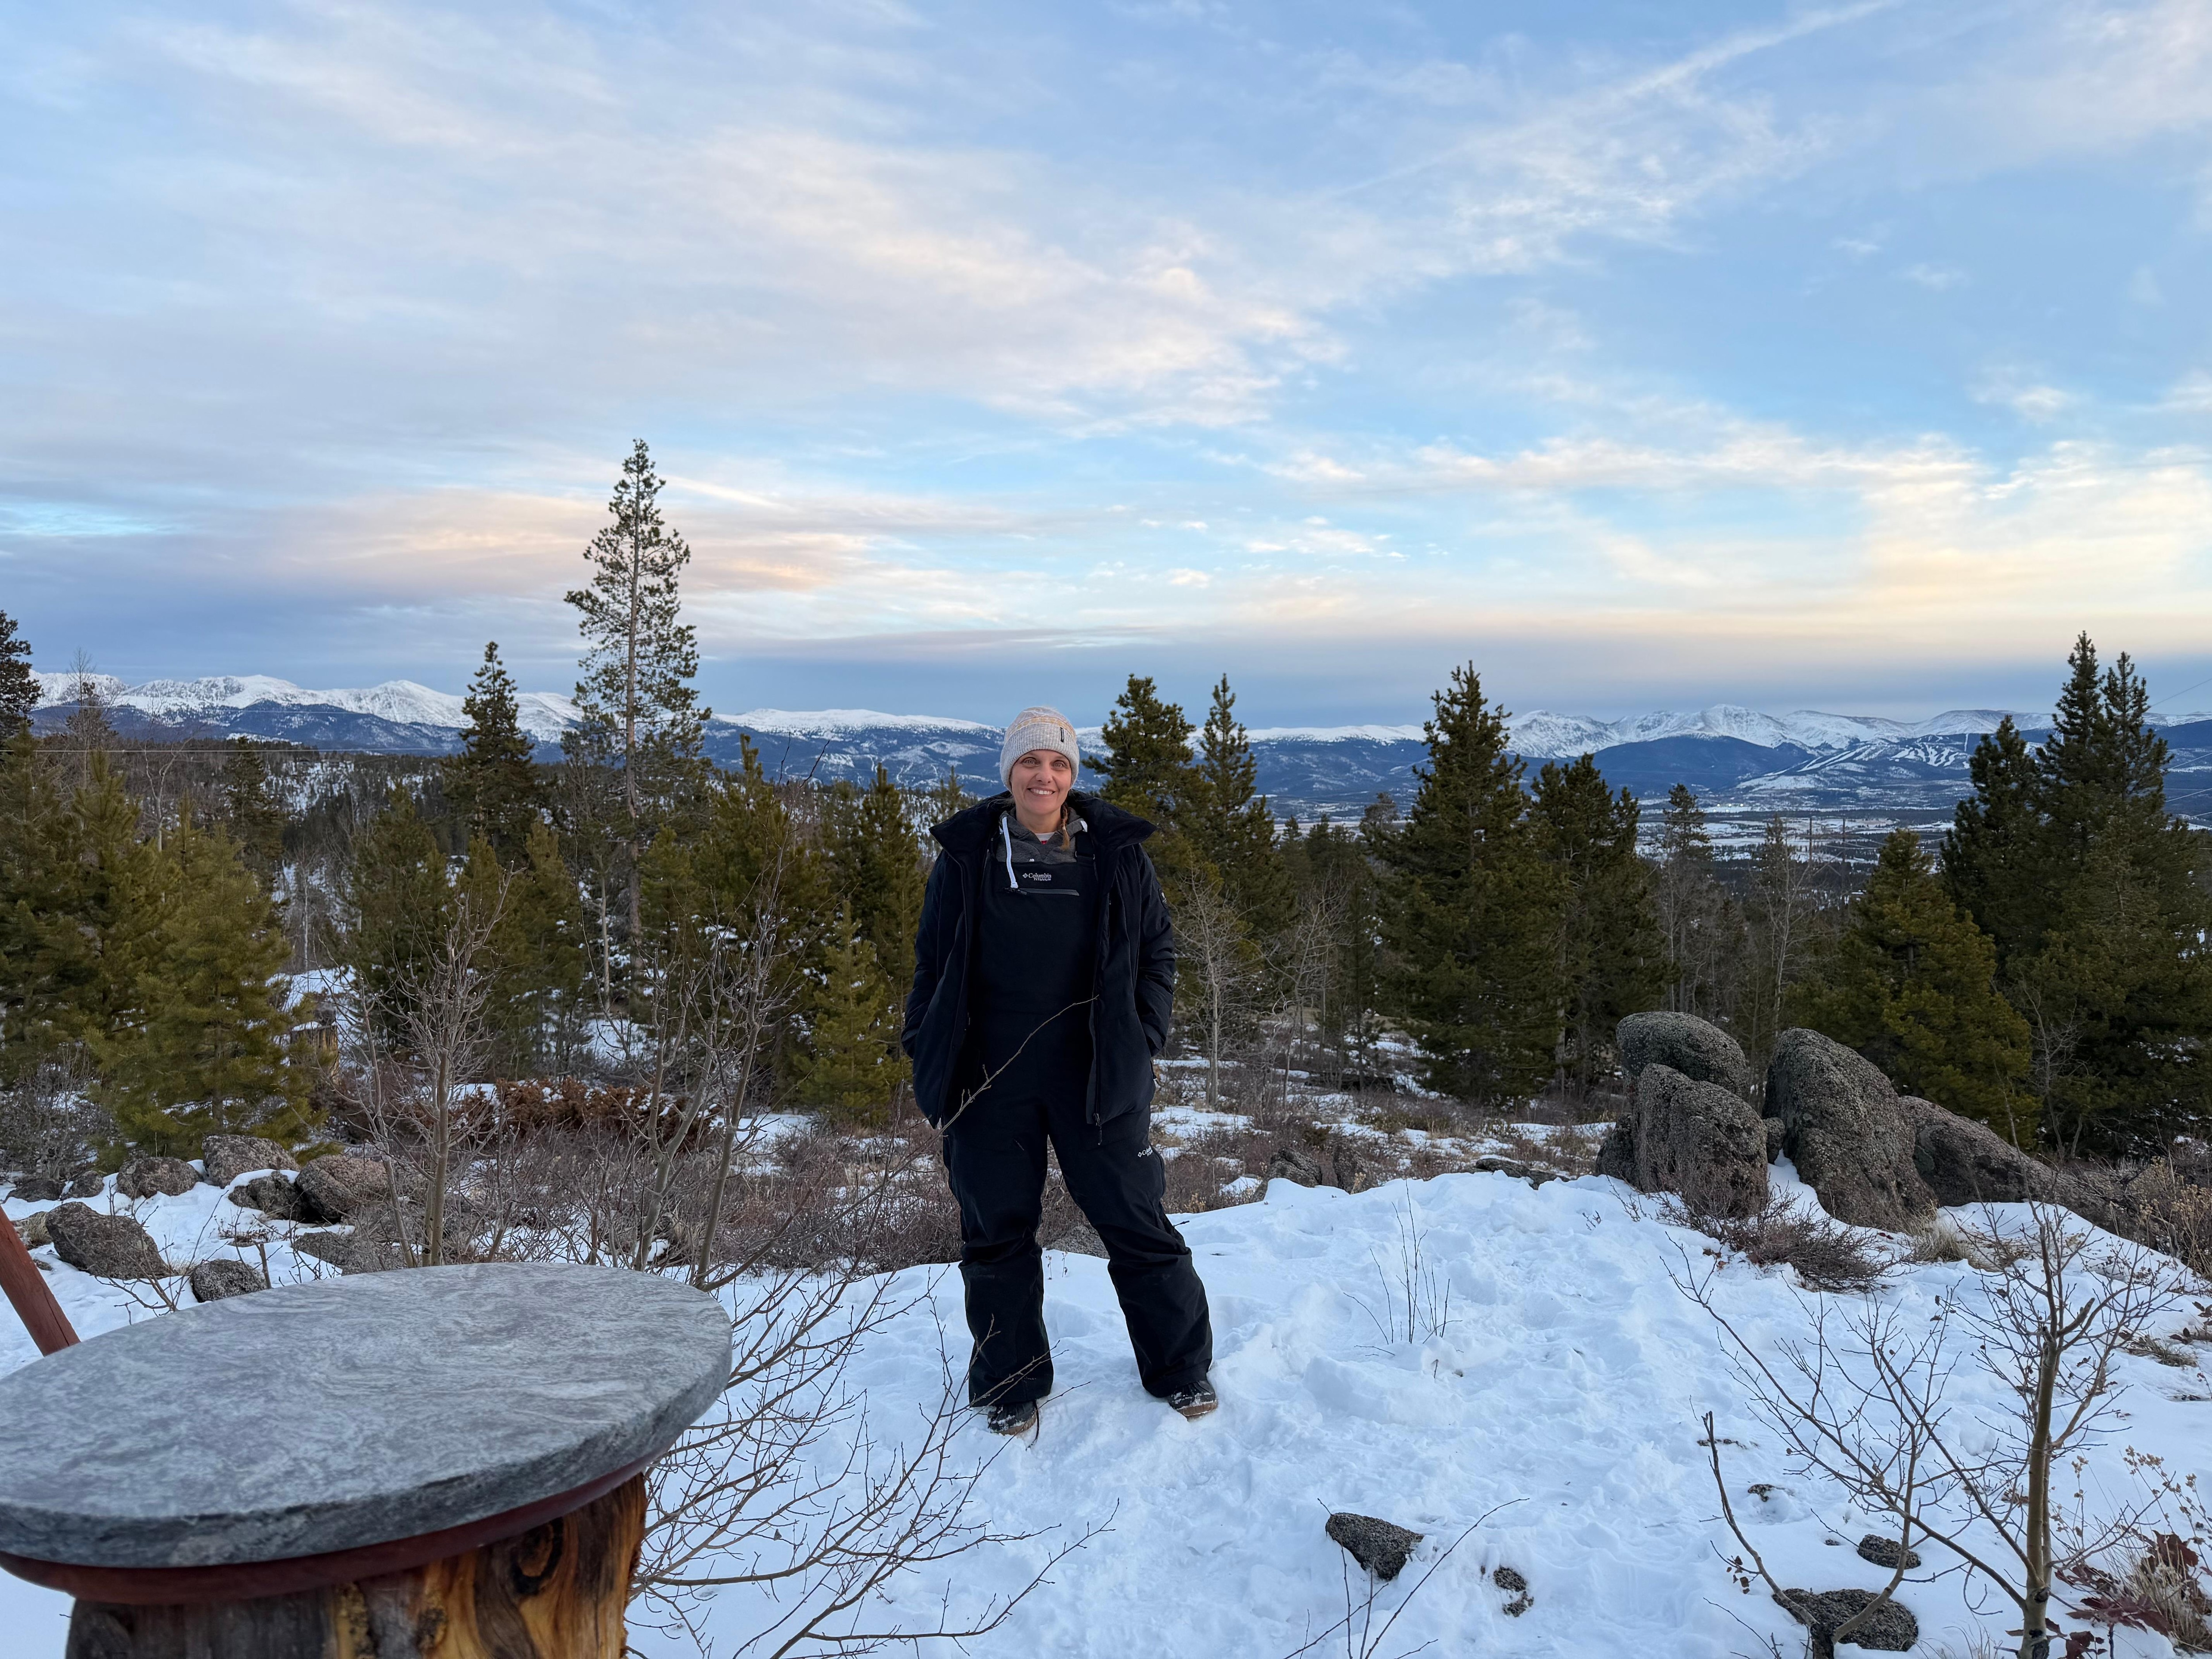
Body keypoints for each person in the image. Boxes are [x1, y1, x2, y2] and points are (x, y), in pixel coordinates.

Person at [902, 705, 1216, 1435]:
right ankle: (1010, 1382)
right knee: (996, 1232)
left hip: (1096, 1070)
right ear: (1009, 772)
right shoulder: (968, 856)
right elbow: (932, 959)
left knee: (1136, 1221)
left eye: (1058, 764)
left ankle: (1180, 1366)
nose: (1044, 775)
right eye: (1030, 762)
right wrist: (926, 1039)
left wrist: (1145, 1032)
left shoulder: (1114, 854)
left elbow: (1158, 950)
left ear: (1072, 776)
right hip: (990, 1075)